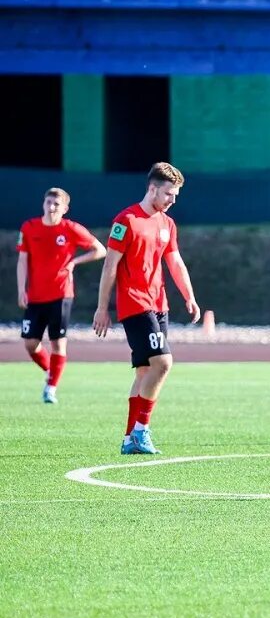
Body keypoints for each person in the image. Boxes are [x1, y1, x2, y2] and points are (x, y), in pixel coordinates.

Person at [93, 163, 201, 455]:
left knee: (143, 372)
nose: (172, 200)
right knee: (163, 363)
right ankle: (142, 429)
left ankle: (130, 439)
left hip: (159, 303)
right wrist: (102, 307)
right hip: (135, 303)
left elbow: (175, 262)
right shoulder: (126, 220)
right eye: (168, 194)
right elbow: (110, 266)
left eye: (176, 195)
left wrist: (189, 296)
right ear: (152, 188)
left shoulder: (167, 224)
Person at [16, 187, 106, 403]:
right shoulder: (29, 227)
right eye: (48, 202)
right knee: (30, 343)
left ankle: (51, 388)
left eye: (57, 204)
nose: (52, 207)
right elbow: (22, 261)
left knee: (58, 343)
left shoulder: (71, 228)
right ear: (43, 204)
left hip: (61, 294)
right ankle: (51, 371)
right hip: (35, 296)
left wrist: (75, 262)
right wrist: (21, 289)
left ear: (65, 208)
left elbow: (100, 250)